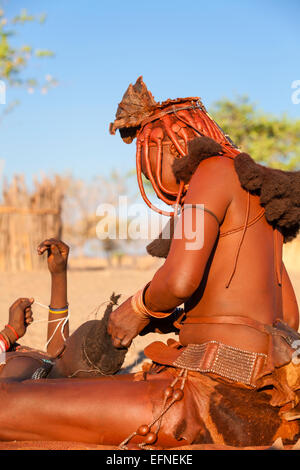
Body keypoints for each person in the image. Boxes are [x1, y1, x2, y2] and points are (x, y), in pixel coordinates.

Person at [0, 77, 299, 449]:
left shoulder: (209, 173)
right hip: (255, 411)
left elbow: (178, 282)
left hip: (202, 402)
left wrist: (136, 309)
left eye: (146, 159)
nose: (147, 174)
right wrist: (185, 319)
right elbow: (288, 317)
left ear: (169, 138)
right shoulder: (257, 193)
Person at [0, 239, 126, 382]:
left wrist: (9, 334)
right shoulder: (47, 376)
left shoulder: (17, 371)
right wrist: (58, 274)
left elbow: (55, 362)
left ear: (62, 350)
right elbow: (56, 361)